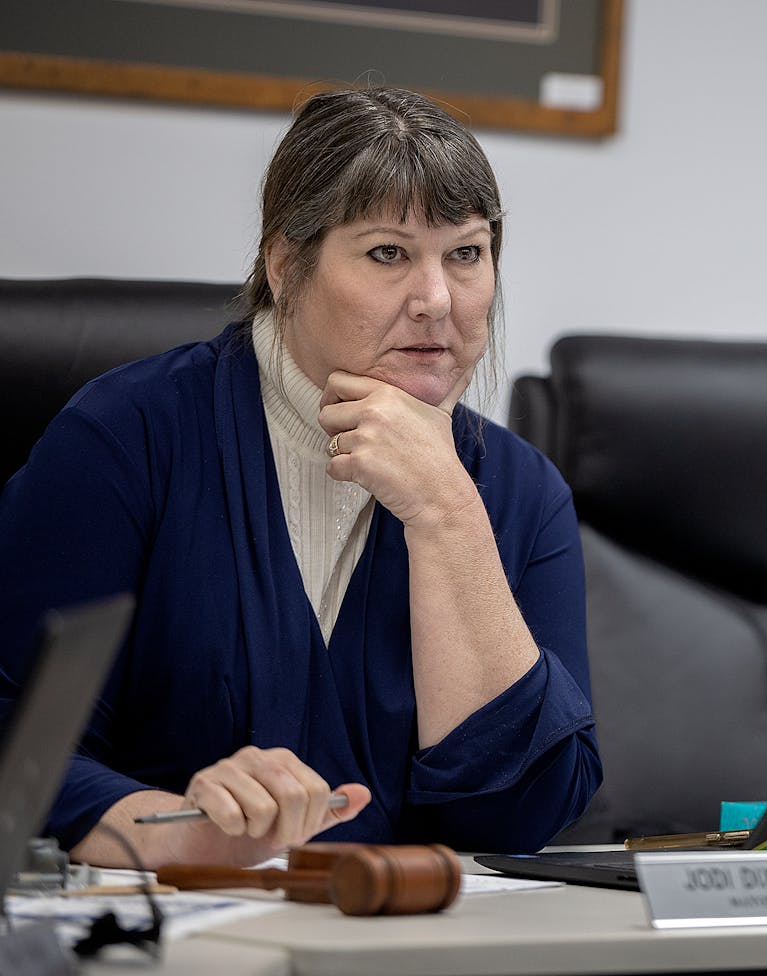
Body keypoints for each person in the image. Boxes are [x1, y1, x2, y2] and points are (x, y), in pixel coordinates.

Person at [0, 87, 601, 869]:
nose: (436, 300)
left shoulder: (522, 491)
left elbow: (527, 815)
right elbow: (20, 753)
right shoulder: (126, 438)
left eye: (466, 253)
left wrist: (447, 511)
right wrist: (189, 830)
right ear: (286, 265)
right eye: (388, 253)